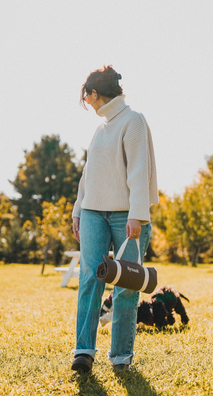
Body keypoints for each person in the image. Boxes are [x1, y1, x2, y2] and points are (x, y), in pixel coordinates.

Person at [71, 65, 158, 373]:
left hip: (126, 217)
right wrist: (78, 210)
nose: (89, 104)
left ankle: (121, 356)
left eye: (88, 98)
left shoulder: (132, 121)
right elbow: (88, 175)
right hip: (94, 212)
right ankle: (84, 351)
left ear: (96, 93)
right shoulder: (100, 129)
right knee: (90, 278)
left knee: (126, 286)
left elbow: (138, 171)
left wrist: (137, 215)